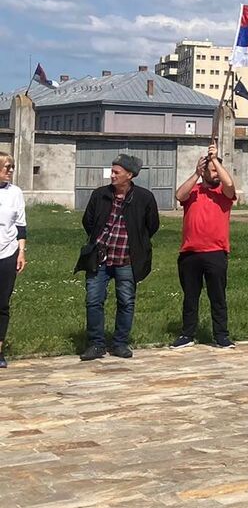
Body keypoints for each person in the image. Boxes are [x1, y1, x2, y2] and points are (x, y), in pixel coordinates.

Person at [77, 153, 161, 359]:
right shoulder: (100, 194)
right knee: (93, 300)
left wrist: (137, 242)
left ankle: (120, 343)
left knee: (126, 301)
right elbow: (88, 221)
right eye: (112, 171)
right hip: (100, 258)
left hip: (127, 259)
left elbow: (152, 225)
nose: (112, 175)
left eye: (116, 172)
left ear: (129, 175)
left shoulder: (144, 197)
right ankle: (96, 344)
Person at [171, 141, 238, 349]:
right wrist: (196, 175)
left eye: (216, 170)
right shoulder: (195, 190)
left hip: (216, 252)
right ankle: (187, 334)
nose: (215, 175)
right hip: (190, 252)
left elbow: (229, 184)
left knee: (217, 296)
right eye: (211, 171)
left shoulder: (223, 194)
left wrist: (215, 160)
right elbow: (179, 195)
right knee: (190, 296)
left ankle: (221, 335)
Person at [0, 151, 26, 369]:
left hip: (7, 253)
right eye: (6, 166)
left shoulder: (15, 192)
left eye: (11, 167)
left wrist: (21, 251)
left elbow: (21, 226)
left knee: (2, 304)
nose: (9, 171)